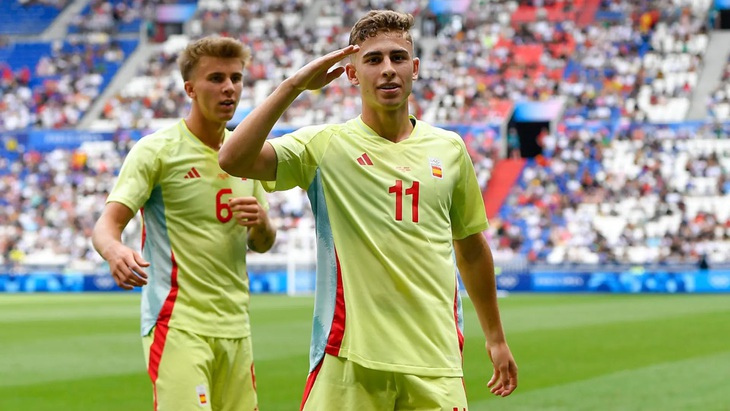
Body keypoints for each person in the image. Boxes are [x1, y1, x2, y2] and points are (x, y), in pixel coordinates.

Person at [219, 10, 517, 410]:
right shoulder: (323, 145)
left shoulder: (450, 149)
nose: (388, 70)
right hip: (347, 359)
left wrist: (495, 338)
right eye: (373, 60)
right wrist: (293, 86)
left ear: (414, 68)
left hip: (435, 360)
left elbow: (472, 247)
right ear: (352, 74)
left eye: (397, 58)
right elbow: (233, 159)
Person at [92, 36, 276, 411]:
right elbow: (106, 225)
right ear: (190, 88)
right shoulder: (157, 150)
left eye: (236, 78)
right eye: (216, 78)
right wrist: (114, 250)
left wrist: (262, 224)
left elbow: (261, 243)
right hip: (177, 323)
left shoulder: (247, 154)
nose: (229, 87)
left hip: (236, 326)